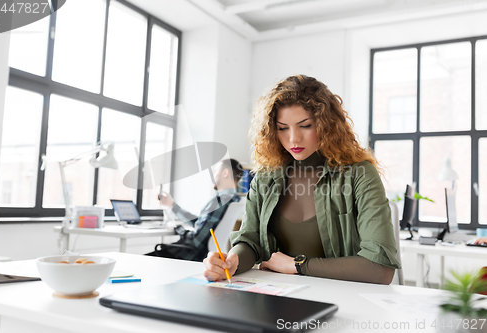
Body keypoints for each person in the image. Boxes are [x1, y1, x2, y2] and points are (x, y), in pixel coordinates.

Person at [203, 75, 401, 284]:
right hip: (276, 298)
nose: (293, 138)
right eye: (282, 128)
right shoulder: (265, 177)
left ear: (327, 125)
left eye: (305, 126)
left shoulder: (360, 174)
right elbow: (250, 241)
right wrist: (233, 260)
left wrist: (297, 265)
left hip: (342, 300)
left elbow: (381, 269)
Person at [146, 159, 243, 262]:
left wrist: (179, 229)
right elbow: (202, 224)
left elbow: (197, 241)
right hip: (203, 255)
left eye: (215, 171)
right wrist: (172, 205)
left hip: (190, 255)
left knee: (141, 260)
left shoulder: (219, 200)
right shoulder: (233, 199)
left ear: (225, 173)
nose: (213, 176)